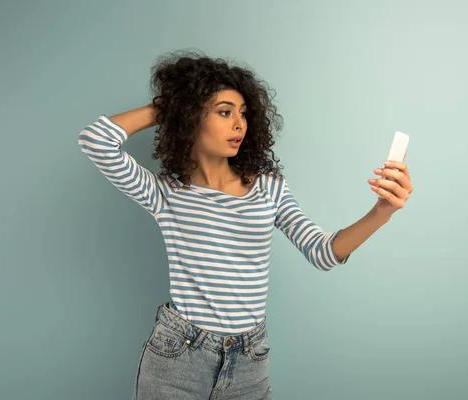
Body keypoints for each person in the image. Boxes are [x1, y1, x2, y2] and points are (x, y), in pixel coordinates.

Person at [77, 51, 413, 400]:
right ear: (191, 117)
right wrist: (169, 107)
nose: (239, 124)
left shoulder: (268, 188)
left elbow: (322, 253)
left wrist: (382, 212)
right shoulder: (166, 193)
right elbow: (96, 140)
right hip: (178, 357)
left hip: (249, 358)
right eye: (224, 112)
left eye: (243, 113)